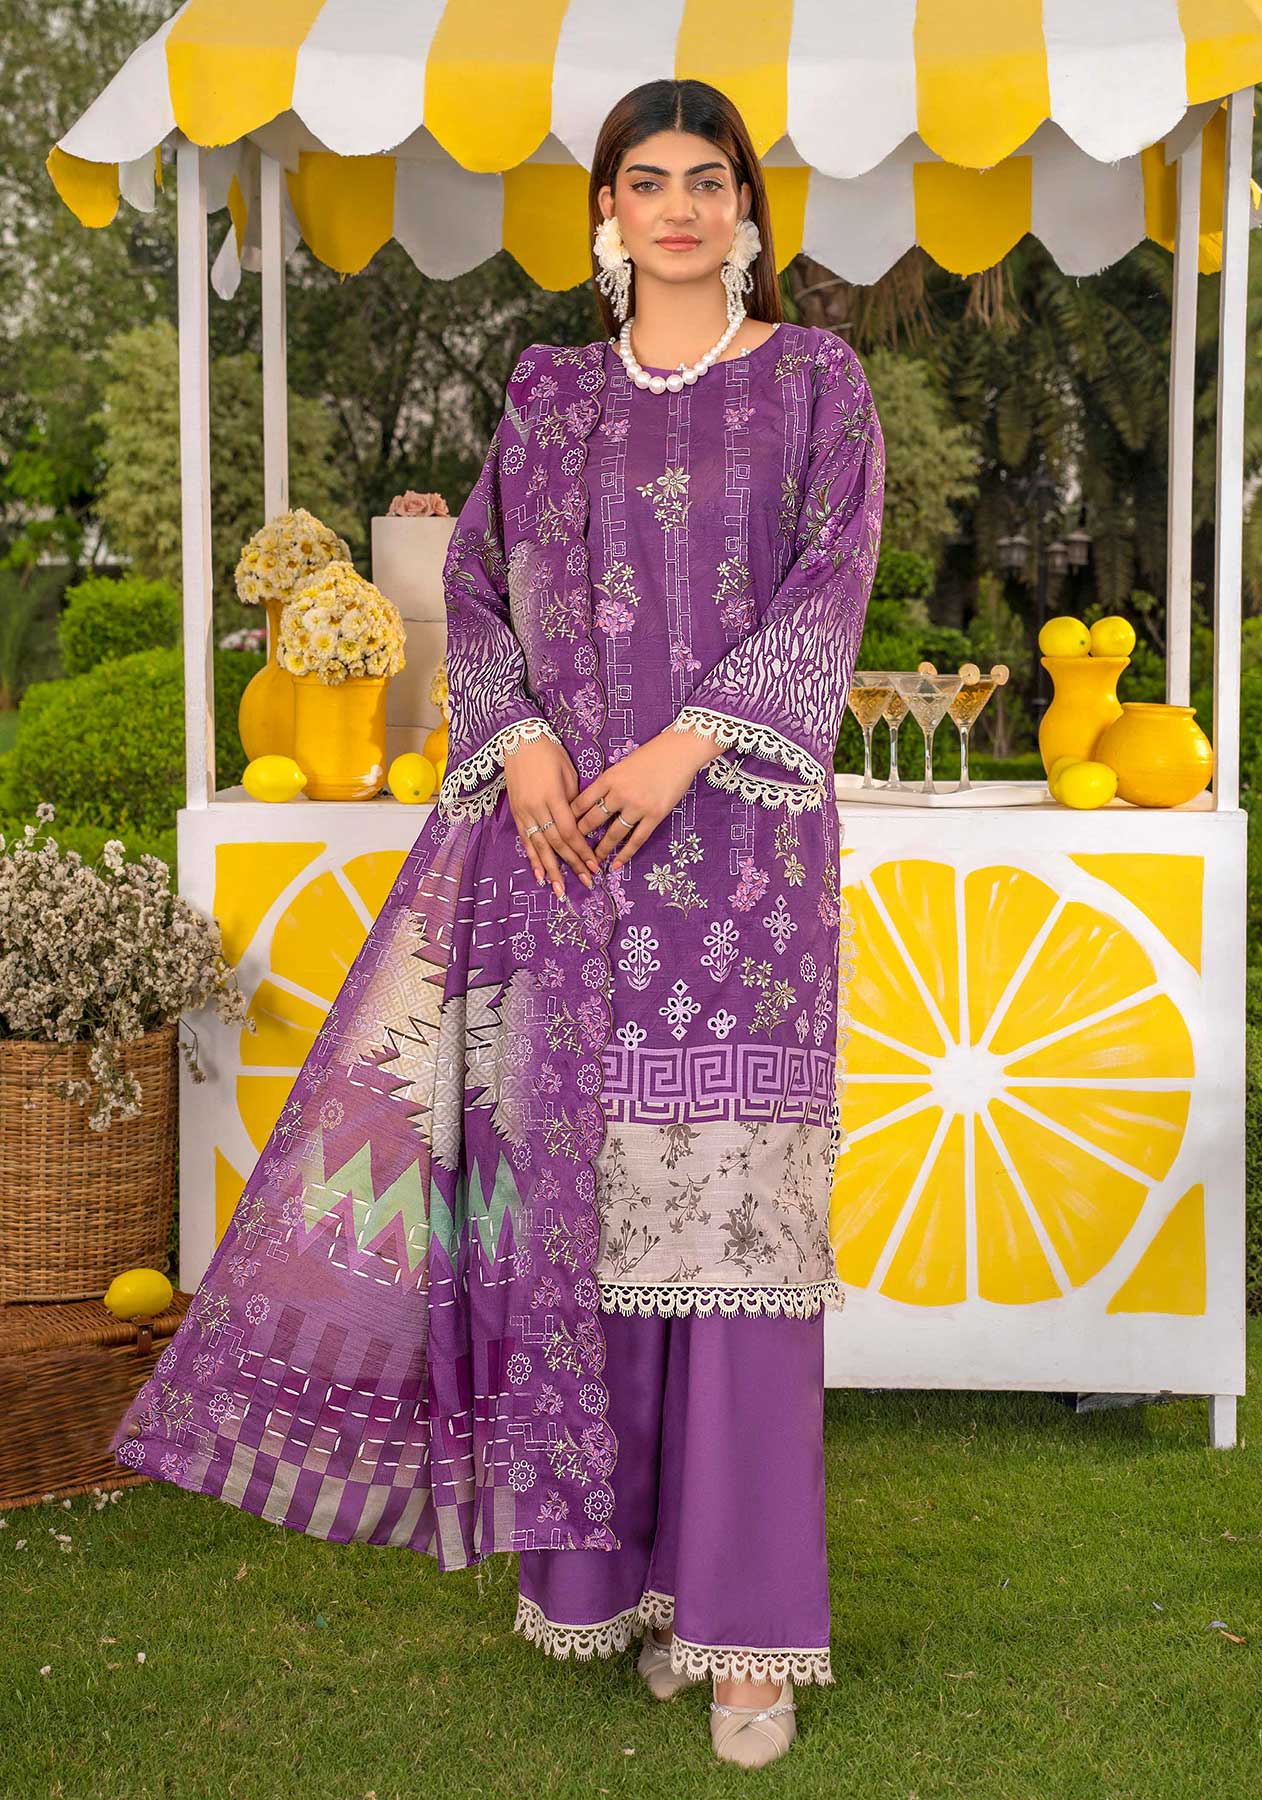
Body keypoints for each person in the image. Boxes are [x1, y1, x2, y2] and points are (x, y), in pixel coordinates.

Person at [111, 75, 883, 1773]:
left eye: (707, 180)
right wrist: (520, 736)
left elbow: (832, 580)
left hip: (742, 872)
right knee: (587, 1234)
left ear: (748, 209)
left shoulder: (818, 382)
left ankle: (746, 1633)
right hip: (570, 863)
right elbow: (472, 586)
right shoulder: (550, 395)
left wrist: (689, 745)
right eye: (645, 181)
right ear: (606, 213)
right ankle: (623, 1583)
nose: (678, 208)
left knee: (734, 1242)